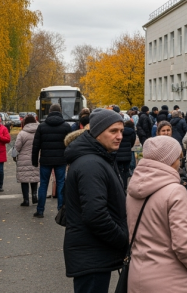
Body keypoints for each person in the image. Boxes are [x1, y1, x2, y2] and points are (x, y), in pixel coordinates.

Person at [126, 136, 187, 293]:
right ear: (170, 159)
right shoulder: (175, 191)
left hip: (138, 273)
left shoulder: (133, 188)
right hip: (171, 278)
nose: (180, 161)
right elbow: (183, 244)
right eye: (178, 157)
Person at [64, 108, 129, 292]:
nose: (119, 136)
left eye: (121, 131)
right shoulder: (91, 164)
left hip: (94, 252)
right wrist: (123, 238)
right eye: (113, 131)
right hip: (92, 255)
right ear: (98, 132)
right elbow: (95, 214)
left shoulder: (99, 157)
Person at [32, 103, 72, 219]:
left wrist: (35, 160)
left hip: (45, 160)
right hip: (61, 159)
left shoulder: (42, 126)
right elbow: (70, 145)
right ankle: (61, 210)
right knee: (60, 184)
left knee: (43, 185)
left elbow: (36, 145)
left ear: (49, 112)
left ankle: (40, 211)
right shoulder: (66, 126)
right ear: (60, 112)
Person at [14, 115, 40, 207]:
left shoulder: (22, 133)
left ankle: (26, 200)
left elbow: (17, 147)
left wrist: (14, 156)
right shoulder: (39, 131)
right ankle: (34, 196)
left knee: (24, 180)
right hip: (36, 158)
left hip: (23, 159)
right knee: (34, 177)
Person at [116, 117, 136, 188]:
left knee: (119, 170)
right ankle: (125, 185)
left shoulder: (119, 131)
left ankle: (121, 184)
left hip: (118, 153)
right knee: (126, 170)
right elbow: (132, 142)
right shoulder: (132, 132)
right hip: (127, 153)